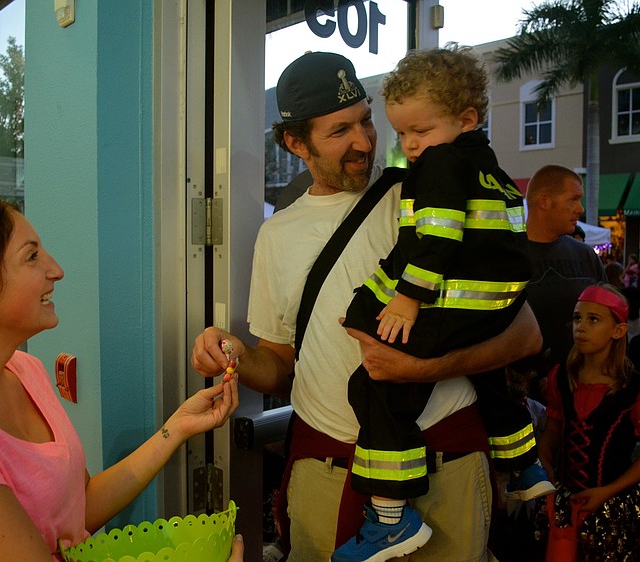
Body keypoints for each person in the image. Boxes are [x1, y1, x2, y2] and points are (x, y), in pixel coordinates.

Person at [191, 51, 543, 562]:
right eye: (339, 132)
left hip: (446, 462)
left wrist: (421, 366)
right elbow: (280, 364)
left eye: (366, 122)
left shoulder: (426, 194)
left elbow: (525, 332)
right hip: (327, 468)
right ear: (295, 142)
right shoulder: (276, 235)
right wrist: (234, 356)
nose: (363, 142)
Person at [0, 194, 243, 562]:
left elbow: (75, 510)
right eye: (31, 256)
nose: (56, 270)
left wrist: (175, 428)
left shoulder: (24, 370)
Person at [336, 46, 550, 562]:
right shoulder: (490, 167)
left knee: (376, 385)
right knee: (487, 378)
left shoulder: (440, 164)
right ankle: (525, 465)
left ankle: (390, 516)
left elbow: (435, 240)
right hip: (494, 306)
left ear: (466, 118)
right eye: (402, 133)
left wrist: (406, 300)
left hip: (452, 300)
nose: (410, 146)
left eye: (421, 132)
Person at [539, 285, 640, 560]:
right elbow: (552, 432)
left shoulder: (638, 388)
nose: (581, 327)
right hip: (565, 501)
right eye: (577, 318)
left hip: (614, 504)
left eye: (593, 319)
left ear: (618, 330)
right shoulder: (561, 378)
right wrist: (545, 464)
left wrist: (607, 492)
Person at [523, 165, 606, 400]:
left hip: (586, 391)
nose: (580, 209)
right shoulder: (507, 257)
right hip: (525, 400)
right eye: (573, 200)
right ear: (544, 201)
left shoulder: (586, 256)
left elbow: (611, 319)